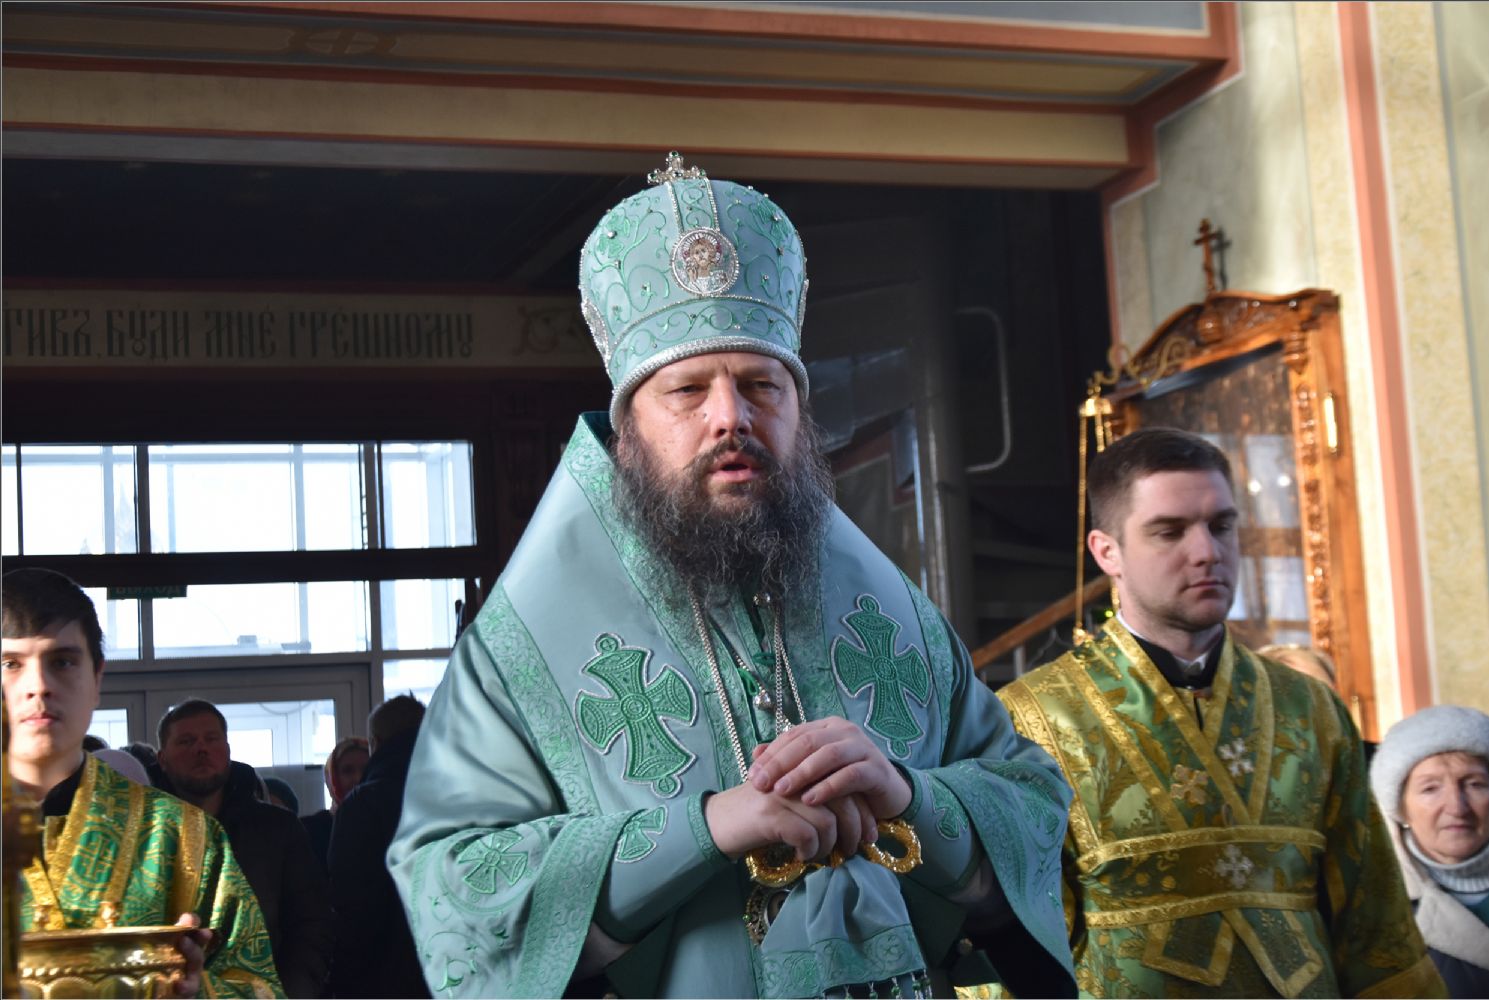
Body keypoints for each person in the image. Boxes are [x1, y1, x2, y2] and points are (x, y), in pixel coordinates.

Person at [387, 153, 1075, 999]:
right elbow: (453, 887)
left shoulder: (889, 609)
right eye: (687, 391)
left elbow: (1032, 805)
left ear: (798, 408)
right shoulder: (521, 646)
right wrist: (704, 829)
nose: (731, 417)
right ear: (627, 432)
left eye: (760, 385)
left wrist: (908, 797)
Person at [998, 428, 1442, 997]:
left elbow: (1375, 925)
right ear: (1107, 551)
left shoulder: (1310, 709)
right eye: (1170, 531)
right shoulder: (1032, 719)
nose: (1207, 551)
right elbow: (1018, 941)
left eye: (1221, 526)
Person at [2, 568, 282, 997]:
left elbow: (258, 986)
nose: (38, 686)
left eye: (62, 662)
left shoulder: (181, 835)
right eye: (11, 664)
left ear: (97, 678)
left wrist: (199, 990)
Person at [157, 698, 334, 997]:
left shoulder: (277, 828)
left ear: (227, 750)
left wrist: (292, 992)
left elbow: (311, 924)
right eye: (186, 741)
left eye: (211, 739)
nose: (201, 749)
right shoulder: (148, 831)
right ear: (162, 758)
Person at [1370, 705, 1489, 998]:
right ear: (1399, 807)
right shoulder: (1373, 902)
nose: (1457, 807)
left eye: (1475, 784)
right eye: (1430, 789)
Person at [328, 694, 428, 998]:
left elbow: (352, 906)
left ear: (375, 743)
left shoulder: (363, 805)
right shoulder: (461, 790)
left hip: (383, 977)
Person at [304, 736, 369, 875]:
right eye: (347, 771)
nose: (358, 778)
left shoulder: (391, 824)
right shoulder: (311, 830)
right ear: (331, 777)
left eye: (366, 769)